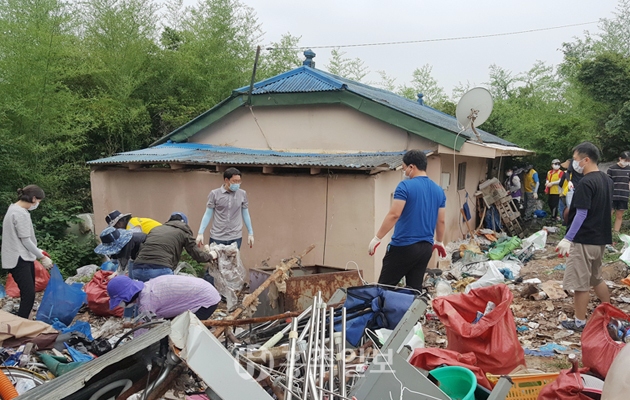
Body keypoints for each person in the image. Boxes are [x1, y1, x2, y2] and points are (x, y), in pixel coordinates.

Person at [368, 150, 446, 291]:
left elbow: (394, 214)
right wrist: (439, 242)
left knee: (384, 288)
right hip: (426, 248)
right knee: (414, 290)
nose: (404, 172)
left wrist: (377, 238)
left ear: (411, 167)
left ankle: (381, 306)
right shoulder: (439, 190)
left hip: (403, 246)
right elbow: (441, 221)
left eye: (404, 168)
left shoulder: (404, 186)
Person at [556, 142, 613, 331]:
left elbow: (581, 214)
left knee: (580, 284)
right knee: (596, 279)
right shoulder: (607, 180)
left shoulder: (586, 183)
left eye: (575, 159)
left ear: (586, 159)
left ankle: (579, 322)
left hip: (583, 240)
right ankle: (609, 314)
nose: (573, 163)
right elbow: (608, 210)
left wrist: (568, 238)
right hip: (600, 239)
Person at [2, 185, 54, 318]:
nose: (37, 204)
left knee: (28, 294)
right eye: (39, 201)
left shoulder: (13, 208)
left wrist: (37, 250)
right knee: (29, 295)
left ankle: (23, 321)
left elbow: (19, 239)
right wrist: (42, 257)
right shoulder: (20, 213)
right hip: (19, 259)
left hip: (18, 256)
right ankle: (22, 323)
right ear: (34, 198)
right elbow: (25, 240)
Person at [132, 212, 217, 282]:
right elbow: (196, 254)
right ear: (184, 223)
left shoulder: (155, 229)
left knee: (143, 296)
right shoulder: (183, 231)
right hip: (160, 269)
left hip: (137, 269)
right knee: (166, 297)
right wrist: (210, 256)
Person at [107, 275, 221, 320]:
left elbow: (144, 332)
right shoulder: (147, 287)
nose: (121, 304)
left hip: (206, 301)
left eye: (121, 301)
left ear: (127, 297)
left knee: (182, 333)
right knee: (170, 324)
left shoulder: (147, 303)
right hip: (205, 290)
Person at [196, 167, 254, 250]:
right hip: (217, 236)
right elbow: (208, 214)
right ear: (226, 180)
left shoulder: (242, 194)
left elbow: (245, 213)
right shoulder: (214, 194)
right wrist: (200, 233)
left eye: (239, 181)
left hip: (235, 236)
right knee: (215, 257)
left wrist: (250, 233)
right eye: (234, 181)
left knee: (233, 258)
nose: (237, 184)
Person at [607, 151, 630, 236]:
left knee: (619, 215)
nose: (627, 162)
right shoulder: (611, 169)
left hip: (624, 196)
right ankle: (606, 232)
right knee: (608, 214)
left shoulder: (629, 169)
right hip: (612, 195)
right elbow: (608, 182)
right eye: (625, 160)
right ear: (620, 158)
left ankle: (616, 234)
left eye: (628, 160)